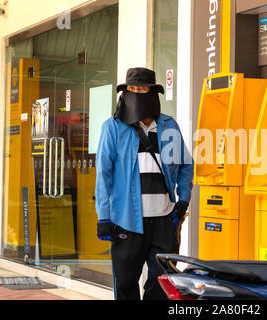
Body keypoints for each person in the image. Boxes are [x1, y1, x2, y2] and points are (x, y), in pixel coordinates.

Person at [95, 67, 194, 300]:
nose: (137, 92)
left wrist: (183, 202)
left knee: (162, 286)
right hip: (126, 223)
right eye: (132, 88)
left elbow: (186, 166)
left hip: (164, 221)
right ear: (126, 92)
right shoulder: (113, 127)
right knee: (126, 284)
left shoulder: (169, 126)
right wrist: (104, 216)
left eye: (143, 88)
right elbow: (104, 174)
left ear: (153, 92)